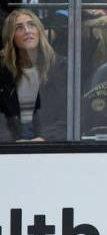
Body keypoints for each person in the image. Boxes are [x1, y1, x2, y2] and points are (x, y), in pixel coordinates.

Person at [0, 9, 65, 142]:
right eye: (19, 28)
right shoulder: (3, 70)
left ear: (39, 32)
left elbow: (70, 118)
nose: (27, 31)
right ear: (11, 37)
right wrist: (11, 141)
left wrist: (45, 138)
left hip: (50, 144)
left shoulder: (61, 67)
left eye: (31, 25)